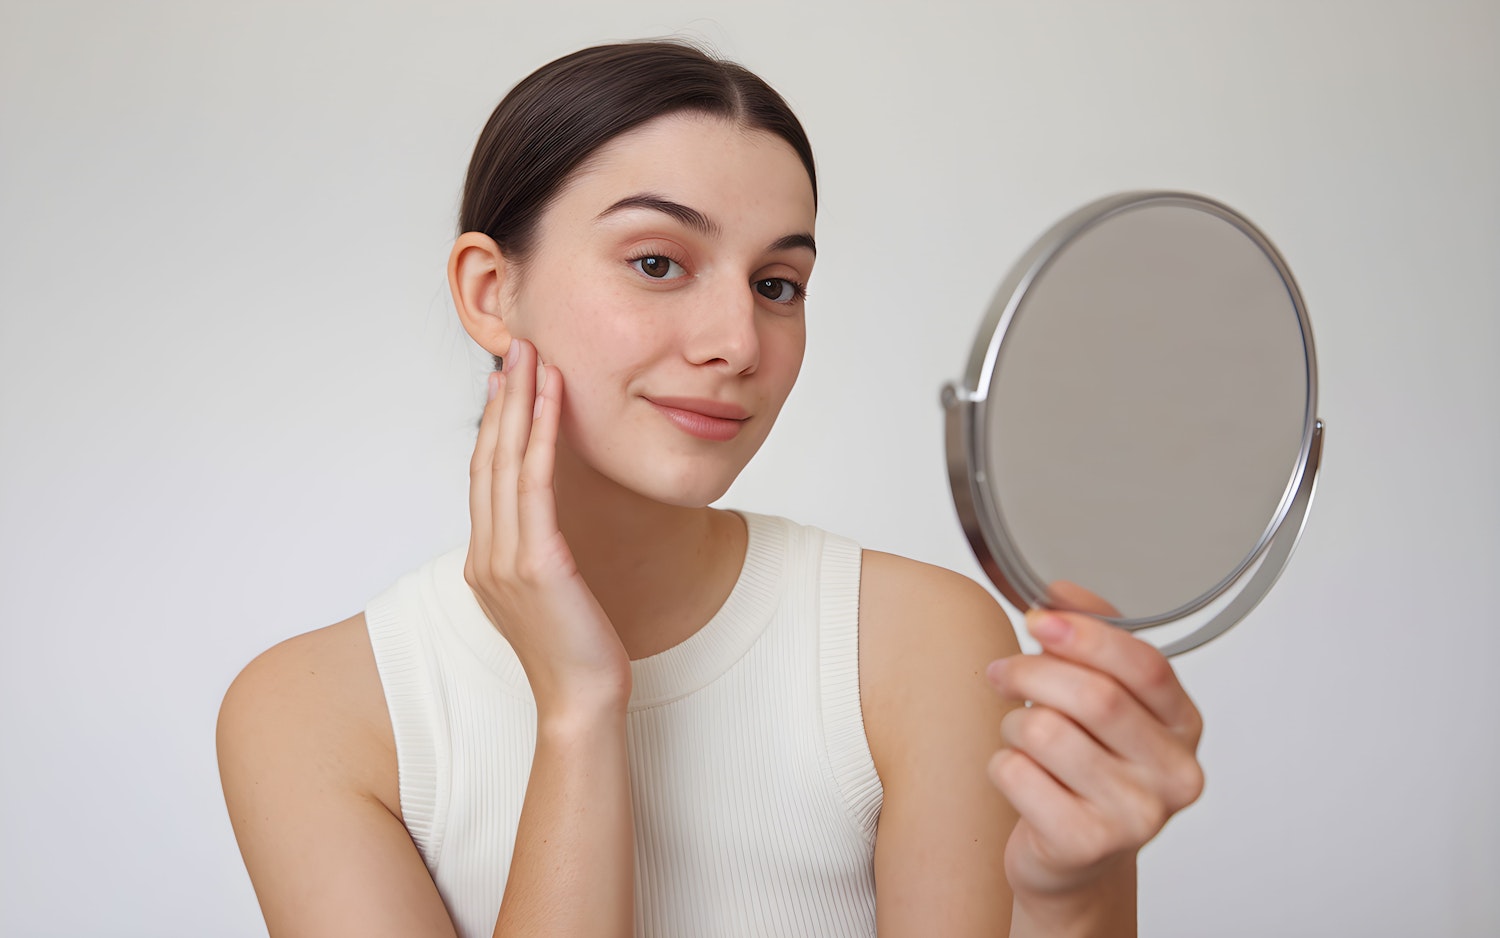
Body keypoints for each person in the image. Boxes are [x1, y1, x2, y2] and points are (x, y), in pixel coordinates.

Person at [217, 40, 1204, 938]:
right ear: (489, 290)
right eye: (658, 262)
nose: (737, 341)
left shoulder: (918, 646)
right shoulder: (314, 717)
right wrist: (580, 705)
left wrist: (1076, 895)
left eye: (778, 283)